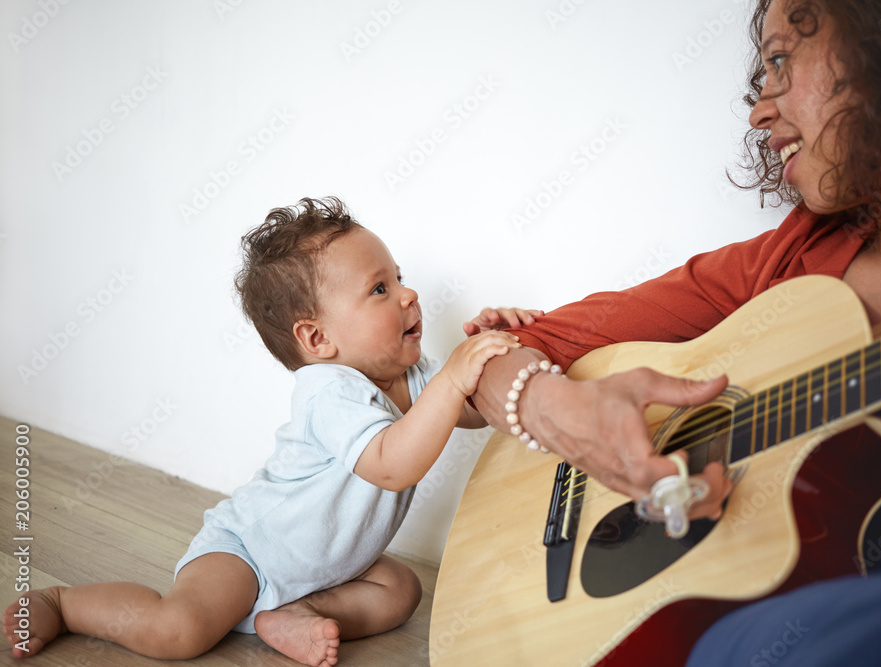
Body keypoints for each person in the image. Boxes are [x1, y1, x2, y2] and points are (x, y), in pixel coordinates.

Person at [467, 0, 881, 663]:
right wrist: (559, 411)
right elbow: (479, 365)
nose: (757, 111)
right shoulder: (787, 265)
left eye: (781, 59)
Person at [2, 196, 538, 666]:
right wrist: (452, 380)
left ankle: (294, 613)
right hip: (249, 553)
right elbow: (391, 465)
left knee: (400, 592)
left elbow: (468, 411)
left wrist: (493, 354)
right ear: (317, 337)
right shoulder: (328, 390)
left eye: (398, 276)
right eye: (380, 288)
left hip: (324, 570)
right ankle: (63, 604)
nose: (407, 294)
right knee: (179, 631)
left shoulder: (413, 376)